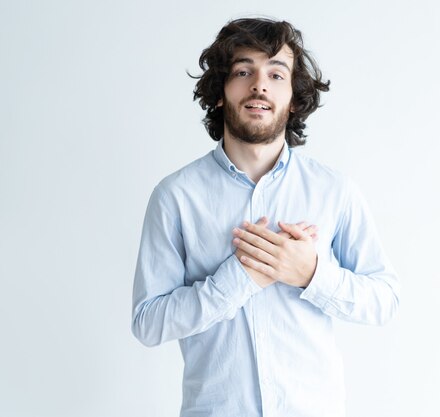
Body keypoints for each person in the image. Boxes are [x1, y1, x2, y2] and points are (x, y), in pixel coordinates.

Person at [131, 17, 400, 417]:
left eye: (276, 74)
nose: (259, 84)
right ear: (220, 91)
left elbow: (385, 300)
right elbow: (148, 323)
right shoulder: (175, 197)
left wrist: (311, 274)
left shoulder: (335, 191)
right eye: (243, 71)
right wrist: (239, 279)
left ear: (293, 98)